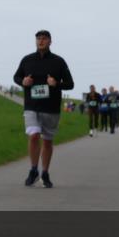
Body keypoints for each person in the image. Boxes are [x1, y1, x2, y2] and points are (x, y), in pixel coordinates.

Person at [13, 30, 74, 188]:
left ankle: (45, 172)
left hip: (51, 107)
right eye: (38, 38)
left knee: (47, 141)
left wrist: (56, 84)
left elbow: (70, 84)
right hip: (31, 106)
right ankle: (33, 169)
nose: (41, 41)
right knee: (33, 136)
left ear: (50, 42)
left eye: (44, 39)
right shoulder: (27, 60)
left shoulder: (58, 61)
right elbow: (16, 77)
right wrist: (23, 81)